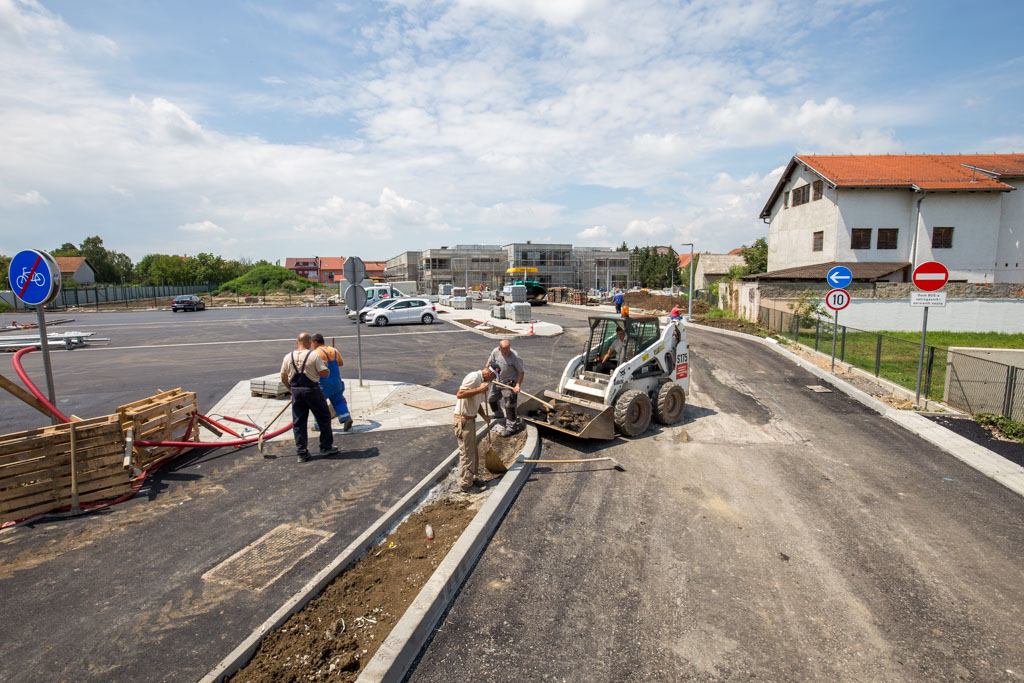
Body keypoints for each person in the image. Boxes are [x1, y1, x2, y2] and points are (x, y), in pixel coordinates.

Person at [280, 333, 339, 462]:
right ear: (308, 342)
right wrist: (325, 365)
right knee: (324, 417)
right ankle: (326, 447)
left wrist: (291, 390)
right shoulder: (313, 356)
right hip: (312, 390)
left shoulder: (288, 357)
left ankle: (302, 453)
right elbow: (325, 374)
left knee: (299, 422)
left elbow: (283, 377)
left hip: (296, 391)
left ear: (297, 342)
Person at [453, 363, 497, 492]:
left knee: (473, 452)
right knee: (467, 453)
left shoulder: (482, 381)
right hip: (463, 420)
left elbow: (476, 402)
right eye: (493, 377)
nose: (492, 380)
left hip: (470, 420)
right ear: (490, 373)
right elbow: (460, 394)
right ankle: (466, 485)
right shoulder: (473, 377)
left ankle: (472, 477)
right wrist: (480, 389)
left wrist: (484, 416)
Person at [310, 333, 353, 432]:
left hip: (324, 384)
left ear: (315, 343)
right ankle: (346, 418)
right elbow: (340, 364)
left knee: (319, 404)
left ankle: (319, 425)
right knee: (338, 401)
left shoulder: (315, 353)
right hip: (337, 382)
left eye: (312, 343)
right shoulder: (334, 350)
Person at [487, 339, 526, 436]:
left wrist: (517, 385)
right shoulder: (495, 352)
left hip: (509, 383)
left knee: (510, 405)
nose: (506, 351)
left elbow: (521, 372)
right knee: (491, 399)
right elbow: (489, 364)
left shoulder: (514, 357)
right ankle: (498, 414)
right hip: (497, 381)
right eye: (504, 350)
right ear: (499, 348)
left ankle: (511, 428)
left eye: (508, 349)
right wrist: (488, 375)